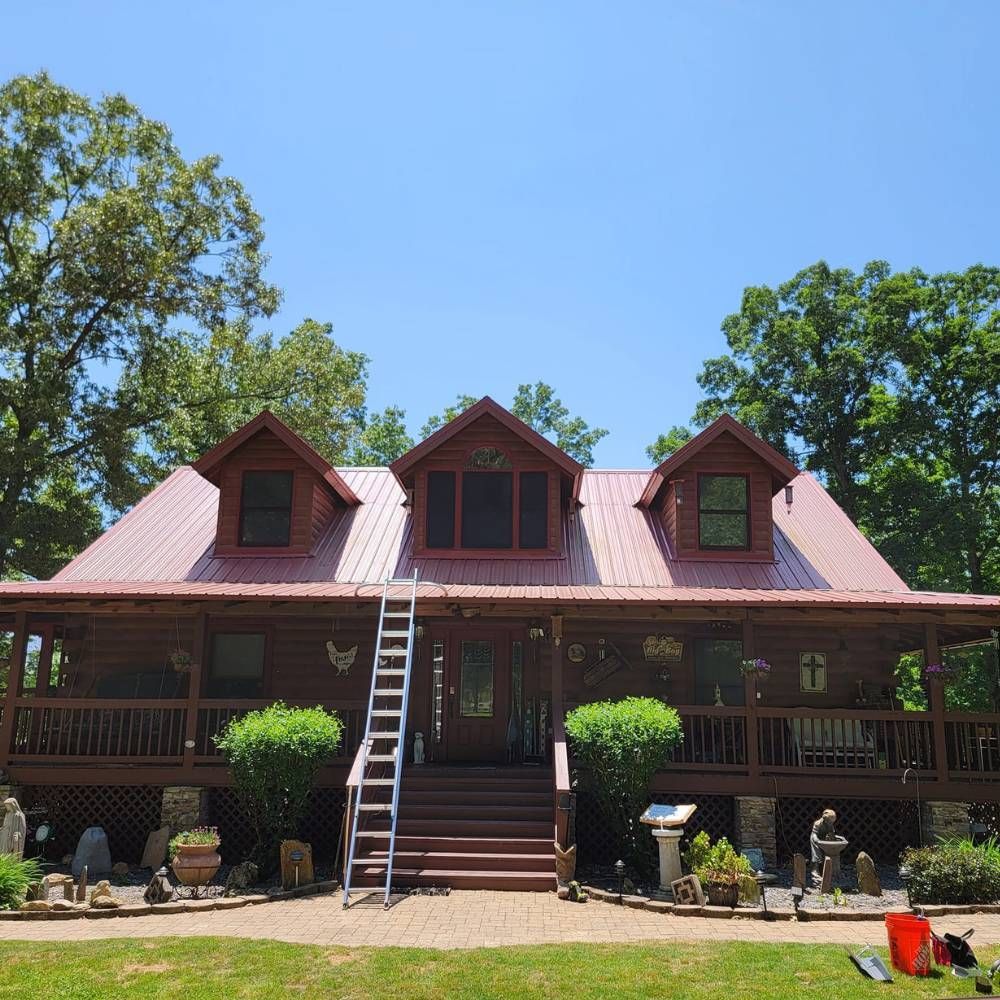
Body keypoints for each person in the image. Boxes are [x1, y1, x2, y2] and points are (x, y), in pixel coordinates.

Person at [810, 808, 838, 879]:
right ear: (825, 820)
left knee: (827, 853)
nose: (831, 823)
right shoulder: (817, 823)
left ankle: (827, 871)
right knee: (817, 855)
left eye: (832, 822)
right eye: (830, 822)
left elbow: (832, 832)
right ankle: (815, 870)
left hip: (824, 840)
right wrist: (817, 840)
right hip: (816, 840)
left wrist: (831, 836)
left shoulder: (830, 825)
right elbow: (814, 834)